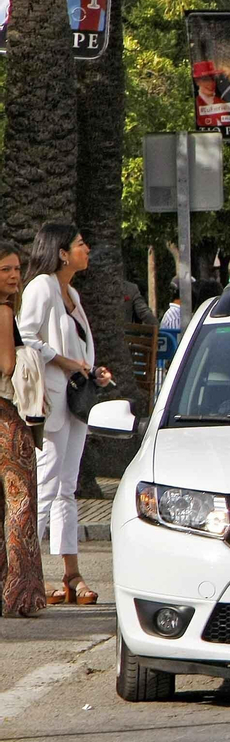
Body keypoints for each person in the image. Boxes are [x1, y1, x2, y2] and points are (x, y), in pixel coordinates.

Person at [19, 224, 114, 606]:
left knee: (67, 489)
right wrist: (63, 361)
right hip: (52, 400)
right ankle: (23, 574)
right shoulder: (41, 287)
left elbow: (79, 348)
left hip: (76, 400)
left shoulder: (71, 292)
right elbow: (25, 335)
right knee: (46, 485)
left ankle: (71, 575)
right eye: (79, 244)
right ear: (61, 252)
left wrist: (92, 370)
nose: (86, 249)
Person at [0, 246, 47, 616]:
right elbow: (6, 364)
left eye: (16, 269)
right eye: (5, 270)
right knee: (21, 503)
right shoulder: (2, 312)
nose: (14, 276)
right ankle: (20, 594)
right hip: (7, 418)